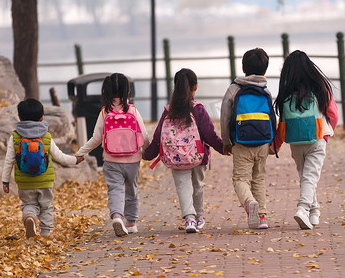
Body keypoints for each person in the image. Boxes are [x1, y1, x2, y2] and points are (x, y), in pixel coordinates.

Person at [143, 68, 223, 233]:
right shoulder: (198, 109)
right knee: (198, 186)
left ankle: (190, 219)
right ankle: (199, 216)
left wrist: (148, 154)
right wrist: (224, 148)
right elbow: (210, 134)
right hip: (198, 156)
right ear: (195, 87)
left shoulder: (168, 111)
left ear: (175, 86)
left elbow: (158, 136)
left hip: (175, 157)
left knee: (183, 186)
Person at [75, 73, 149, 237]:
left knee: (115, 189)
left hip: (111, 159)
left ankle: (117, 216)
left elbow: (96, 139)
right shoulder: (133, 110)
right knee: (131, 189)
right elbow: (144, 136)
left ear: (105, 92)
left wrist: (80, 153)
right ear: (127, 91)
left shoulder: (104, 112)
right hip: (132, 159)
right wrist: (148, 151)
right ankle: (131, 223)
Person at [272, 50, 339, 229]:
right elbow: (333, 114)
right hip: (316, 139)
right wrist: (327, 133)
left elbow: (281, 123)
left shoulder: (285, 94)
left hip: (295, 142)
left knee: (306, 177)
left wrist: (276, 145)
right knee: (310, 177)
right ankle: (303, 209)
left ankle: (314, 211)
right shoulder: (319, 89)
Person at [1, 98, 84, 238]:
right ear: (41, 118)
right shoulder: (45, 136)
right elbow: (59, 156)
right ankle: (46, 233)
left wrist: (5, 181)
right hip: (44, 180)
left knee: (29, 203)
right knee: (46, 207)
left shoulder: (14, 137)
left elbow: (8, 161)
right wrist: (75, 160)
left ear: (20, 117)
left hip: (24, 182)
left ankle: (29, 217)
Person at [220, 47, 276, 230]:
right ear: (265, 70)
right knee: (258, 178)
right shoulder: (265, 91)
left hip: (241, 142)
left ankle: (249, 202)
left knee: (240, 179)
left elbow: (225, 116)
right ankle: (262, 218)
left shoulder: (234, 89)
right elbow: (272, 117)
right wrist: (272, 142)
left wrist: (226, 141)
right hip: (263, 141)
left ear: (243, 68)